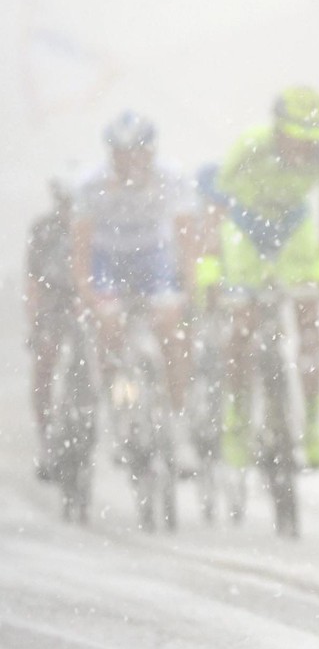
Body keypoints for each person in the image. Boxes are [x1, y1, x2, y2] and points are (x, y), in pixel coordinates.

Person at [205, 86, 319, 470]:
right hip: (246, 230)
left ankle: (312, 427)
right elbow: (215, 209)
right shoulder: (249, 148)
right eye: (296, 139)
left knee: (308, 320)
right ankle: (237, 418)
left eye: (311, 141)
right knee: (242, 325)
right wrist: (210, 265)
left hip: (292, 230)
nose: (303, 151)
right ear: (278, 130)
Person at [71, 112, 198, 467]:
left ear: (151, 152)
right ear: (110, 154)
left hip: (153, 260)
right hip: (107, 260)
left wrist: (189, 289)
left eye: (138, 153)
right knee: (109, 328)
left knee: (171, 332)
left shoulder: (172, 178)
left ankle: (178, 424)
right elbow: (81, 249)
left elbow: (187, 241)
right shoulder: (90, 184)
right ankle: (119, 415)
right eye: (121, 154)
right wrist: (88, 294)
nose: (130, 162)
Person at [26, 177, 83, 480]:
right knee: (44, 362)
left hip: (84, 303)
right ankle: (46, 437)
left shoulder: (91, 223)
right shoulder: (43, 230)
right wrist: (35, 318)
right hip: (53, 304)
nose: (68, 208)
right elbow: (33, 280)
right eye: (63, 200)